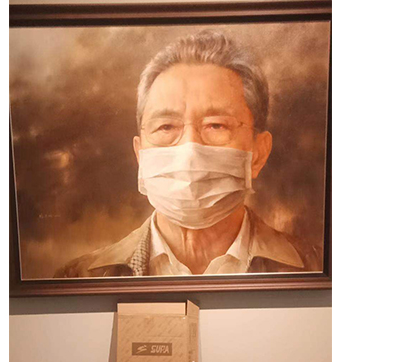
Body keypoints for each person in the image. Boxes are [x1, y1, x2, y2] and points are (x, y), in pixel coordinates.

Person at [55, 30, 320, 278]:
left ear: (258, 153)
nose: (190, 151)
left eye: (216, 125)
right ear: (140, 155)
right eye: (166, 127)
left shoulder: (317, 267)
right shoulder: (81, 277)